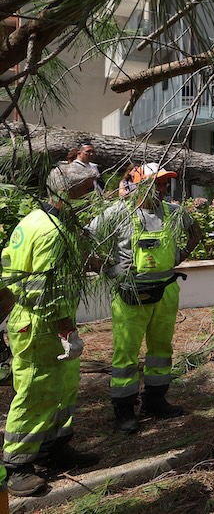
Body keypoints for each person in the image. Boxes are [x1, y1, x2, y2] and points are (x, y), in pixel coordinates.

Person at [1, 164, 103, 497]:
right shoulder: (48, 231)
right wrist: (67, 331)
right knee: (36, 392)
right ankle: (17, 466)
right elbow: (47, 290)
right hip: (41, 323)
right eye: (87, 190)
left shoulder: (37, 221)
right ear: (68, 192)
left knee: (62, 387)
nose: (91, 196)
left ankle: (55, 448)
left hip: (42, 320)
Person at [87, 163, 201, 435]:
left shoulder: (174, 213)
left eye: (164, 185)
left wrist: (178, 258)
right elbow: (82, 241)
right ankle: (124, 411)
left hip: (166, 290)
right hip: (130, 294)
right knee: (126, 354)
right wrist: (110, 269)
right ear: (139, 186)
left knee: (161, 350)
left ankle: (155, 401)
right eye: (157, 184)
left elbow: (196, 233)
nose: (162, 190)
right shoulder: (118, 213)